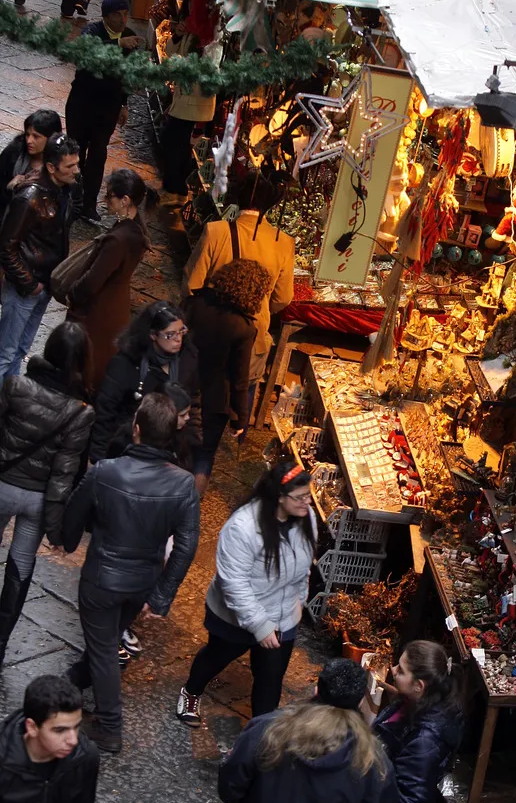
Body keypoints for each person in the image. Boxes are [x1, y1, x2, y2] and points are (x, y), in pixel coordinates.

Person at [63, 393, 200, 753]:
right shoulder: (184, 484)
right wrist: (161, 595)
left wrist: (67, 539)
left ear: (136, 430)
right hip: (142, 583)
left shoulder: (106, 471)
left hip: (101, 579)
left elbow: (74, 512)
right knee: (105, 639)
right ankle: (74, 679)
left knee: (105, 647)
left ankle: (110, 726)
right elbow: (186, 546)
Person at [176, 461, 316, 727]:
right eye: (300, 497)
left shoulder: (305, 517)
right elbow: (234, 582)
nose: (306, 502)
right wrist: (259, 625)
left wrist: (300, 597)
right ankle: (192, 691)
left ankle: (258, 739)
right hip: (235, 617)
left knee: (270, 678)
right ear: (279, 497)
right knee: (216, 657)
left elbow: (306, 561)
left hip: (282, 617)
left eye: (308, 495)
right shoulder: (243, 526)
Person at [0, 322, 94, 665]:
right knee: (20, 571)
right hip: (37, 501)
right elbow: (63, 476)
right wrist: (57, 531)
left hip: (2, 485)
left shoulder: (16, 386)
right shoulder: (81, 412)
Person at [183, 170, 295, 426]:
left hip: (208, 332)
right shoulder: (284, 242)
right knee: (241, 391)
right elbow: (283, 298)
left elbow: (192, 284)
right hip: (253, 334)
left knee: (194, 401)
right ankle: (235, 428)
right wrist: (261, 305)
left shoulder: (216, 231)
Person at [217, 699, 396, 803]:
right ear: (360, 702)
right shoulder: (375, 765)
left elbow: (230, 787)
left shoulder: (267, 728)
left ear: (317, 690)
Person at [0, 133, 79, 386]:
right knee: (6, 352)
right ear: (51, 167)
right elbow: (6, 247)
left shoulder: (63, 191)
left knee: (21, 348)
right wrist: (29, 284)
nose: (76, 170)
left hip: (42, 285)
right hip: (27, 287)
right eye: (70, 166)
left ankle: (8, 399)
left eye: (77, 164)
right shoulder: (30, 197)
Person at [187, 258, 271, 496]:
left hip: (181, 385)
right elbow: (239, 378)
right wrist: (240, 418)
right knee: (203, 455)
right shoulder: (244, 328)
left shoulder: (194, 303)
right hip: (214, 400)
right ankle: (190, 506)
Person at [67, 168, 156, 387]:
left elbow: (92, 281)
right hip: (115, 307)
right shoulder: (136, 230)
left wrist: (73, 293)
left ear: (125, 200)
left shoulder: (119, 240)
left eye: (109, 196)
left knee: (86, 368)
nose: (105, 200)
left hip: (99, 311)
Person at [90, 300, 201, 463]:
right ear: (153, 335)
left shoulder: (188, 359)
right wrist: (97, 458)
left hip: (170, 453)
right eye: (170, 334)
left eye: (181, 331)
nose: (178, 339)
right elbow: (105, 411)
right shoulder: (126, 363)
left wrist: (193, 450)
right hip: (127, 450)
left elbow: (194, 400)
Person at [65, 0, 141, 223]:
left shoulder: (130, 37)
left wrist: (124, 104)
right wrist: (118, 43)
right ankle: (72, 199)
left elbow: (127, 75)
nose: (122, 19)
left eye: (125, 14)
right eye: (117, 14)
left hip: (107, 108)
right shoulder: (92, 31)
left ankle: (88, 204)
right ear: (106, 16)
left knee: (98, 155)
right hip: (82, 103)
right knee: (76, 152)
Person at [374, 640, 465, 803]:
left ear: (418, 686)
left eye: (401, 670)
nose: (393, 669)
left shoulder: (425, 741)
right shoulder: (417, 701)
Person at [0, 675, 99, 803]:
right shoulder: (4, 764)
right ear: (32, 727)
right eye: (60, 730)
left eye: (76, 726)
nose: (73, 740)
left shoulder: (85, 756)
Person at [160, 6, 217, 206]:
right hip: (183, 97)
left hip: (195, 100)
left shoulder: (209, 33)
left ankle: (175, 190)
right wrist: (177, 35)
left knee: (175, 142)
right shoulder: (191, 28)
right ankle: (174, 189)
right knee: (176, 143)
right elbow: (170, 51)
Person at [0, 109, 62, 213]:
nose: (29, 141)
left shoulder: (63, 161)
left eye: (36, 137)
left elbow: (73, 202)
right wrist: (9, 188)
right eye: (27, 135)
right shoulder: (14, 151)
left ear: (51, 138)